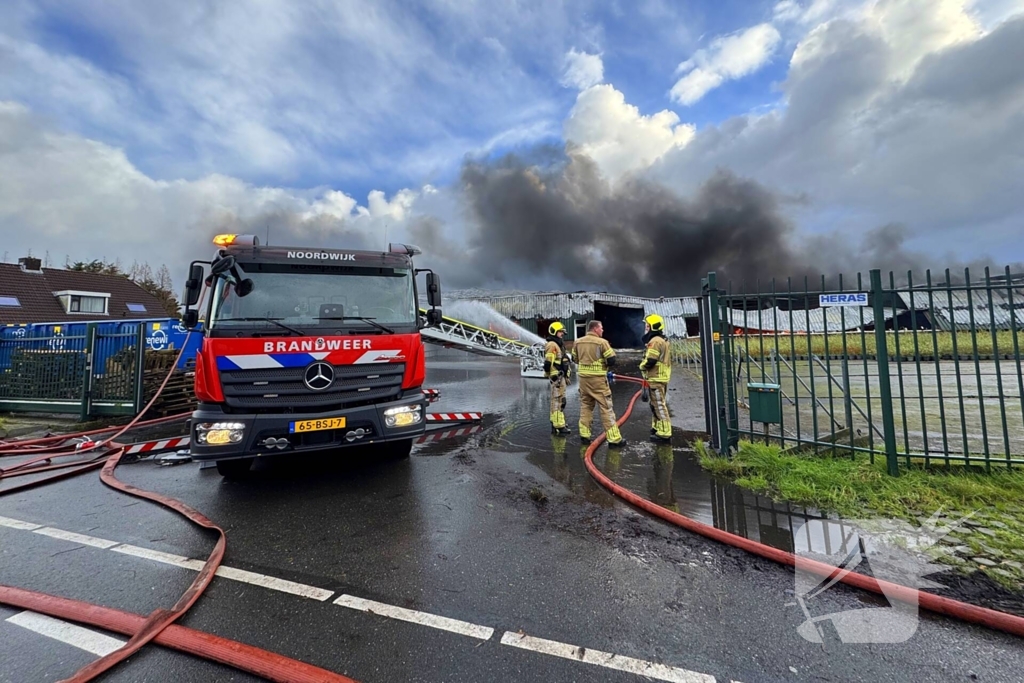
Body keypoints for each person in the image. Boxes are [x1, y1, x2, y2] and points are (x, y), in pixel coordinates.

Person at [571, 320, 625, 446]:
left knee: (586, 405)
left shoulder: (577, 342)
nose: (602, 330)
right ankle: (614, 439)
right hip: (598, 380)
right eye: (601, 328)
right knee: (606, 407)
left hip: (583, 379)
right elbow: (611, 360)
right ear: (595, 329)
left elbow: (575, 359)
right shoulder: (602, 342)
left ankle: (584, 435)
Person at [640, 314, 672, 442]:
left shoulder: (655, 341)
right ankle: (658, 426)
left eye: (647, 326)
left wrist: (642, 366)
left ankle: (665, 432)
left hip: (656, 377)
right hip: (659, 377)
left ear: (653, 327)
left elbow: (651, 360)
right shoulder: (662, 339)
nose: (646, 329)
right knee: (654, 404)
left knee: (659, 405)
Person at [544, 322, 571, 435]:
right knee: (559, 401)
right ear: (554, 332)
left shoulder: (558, 344)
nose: (562, 334)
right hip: (557, 377)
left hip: (561, 376)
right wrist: (552, 375)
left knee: (558, 400)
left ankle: (556, 421)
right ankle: (558, 425)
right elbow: (548, 362)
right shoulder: (552, 345)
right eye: (560, 332)